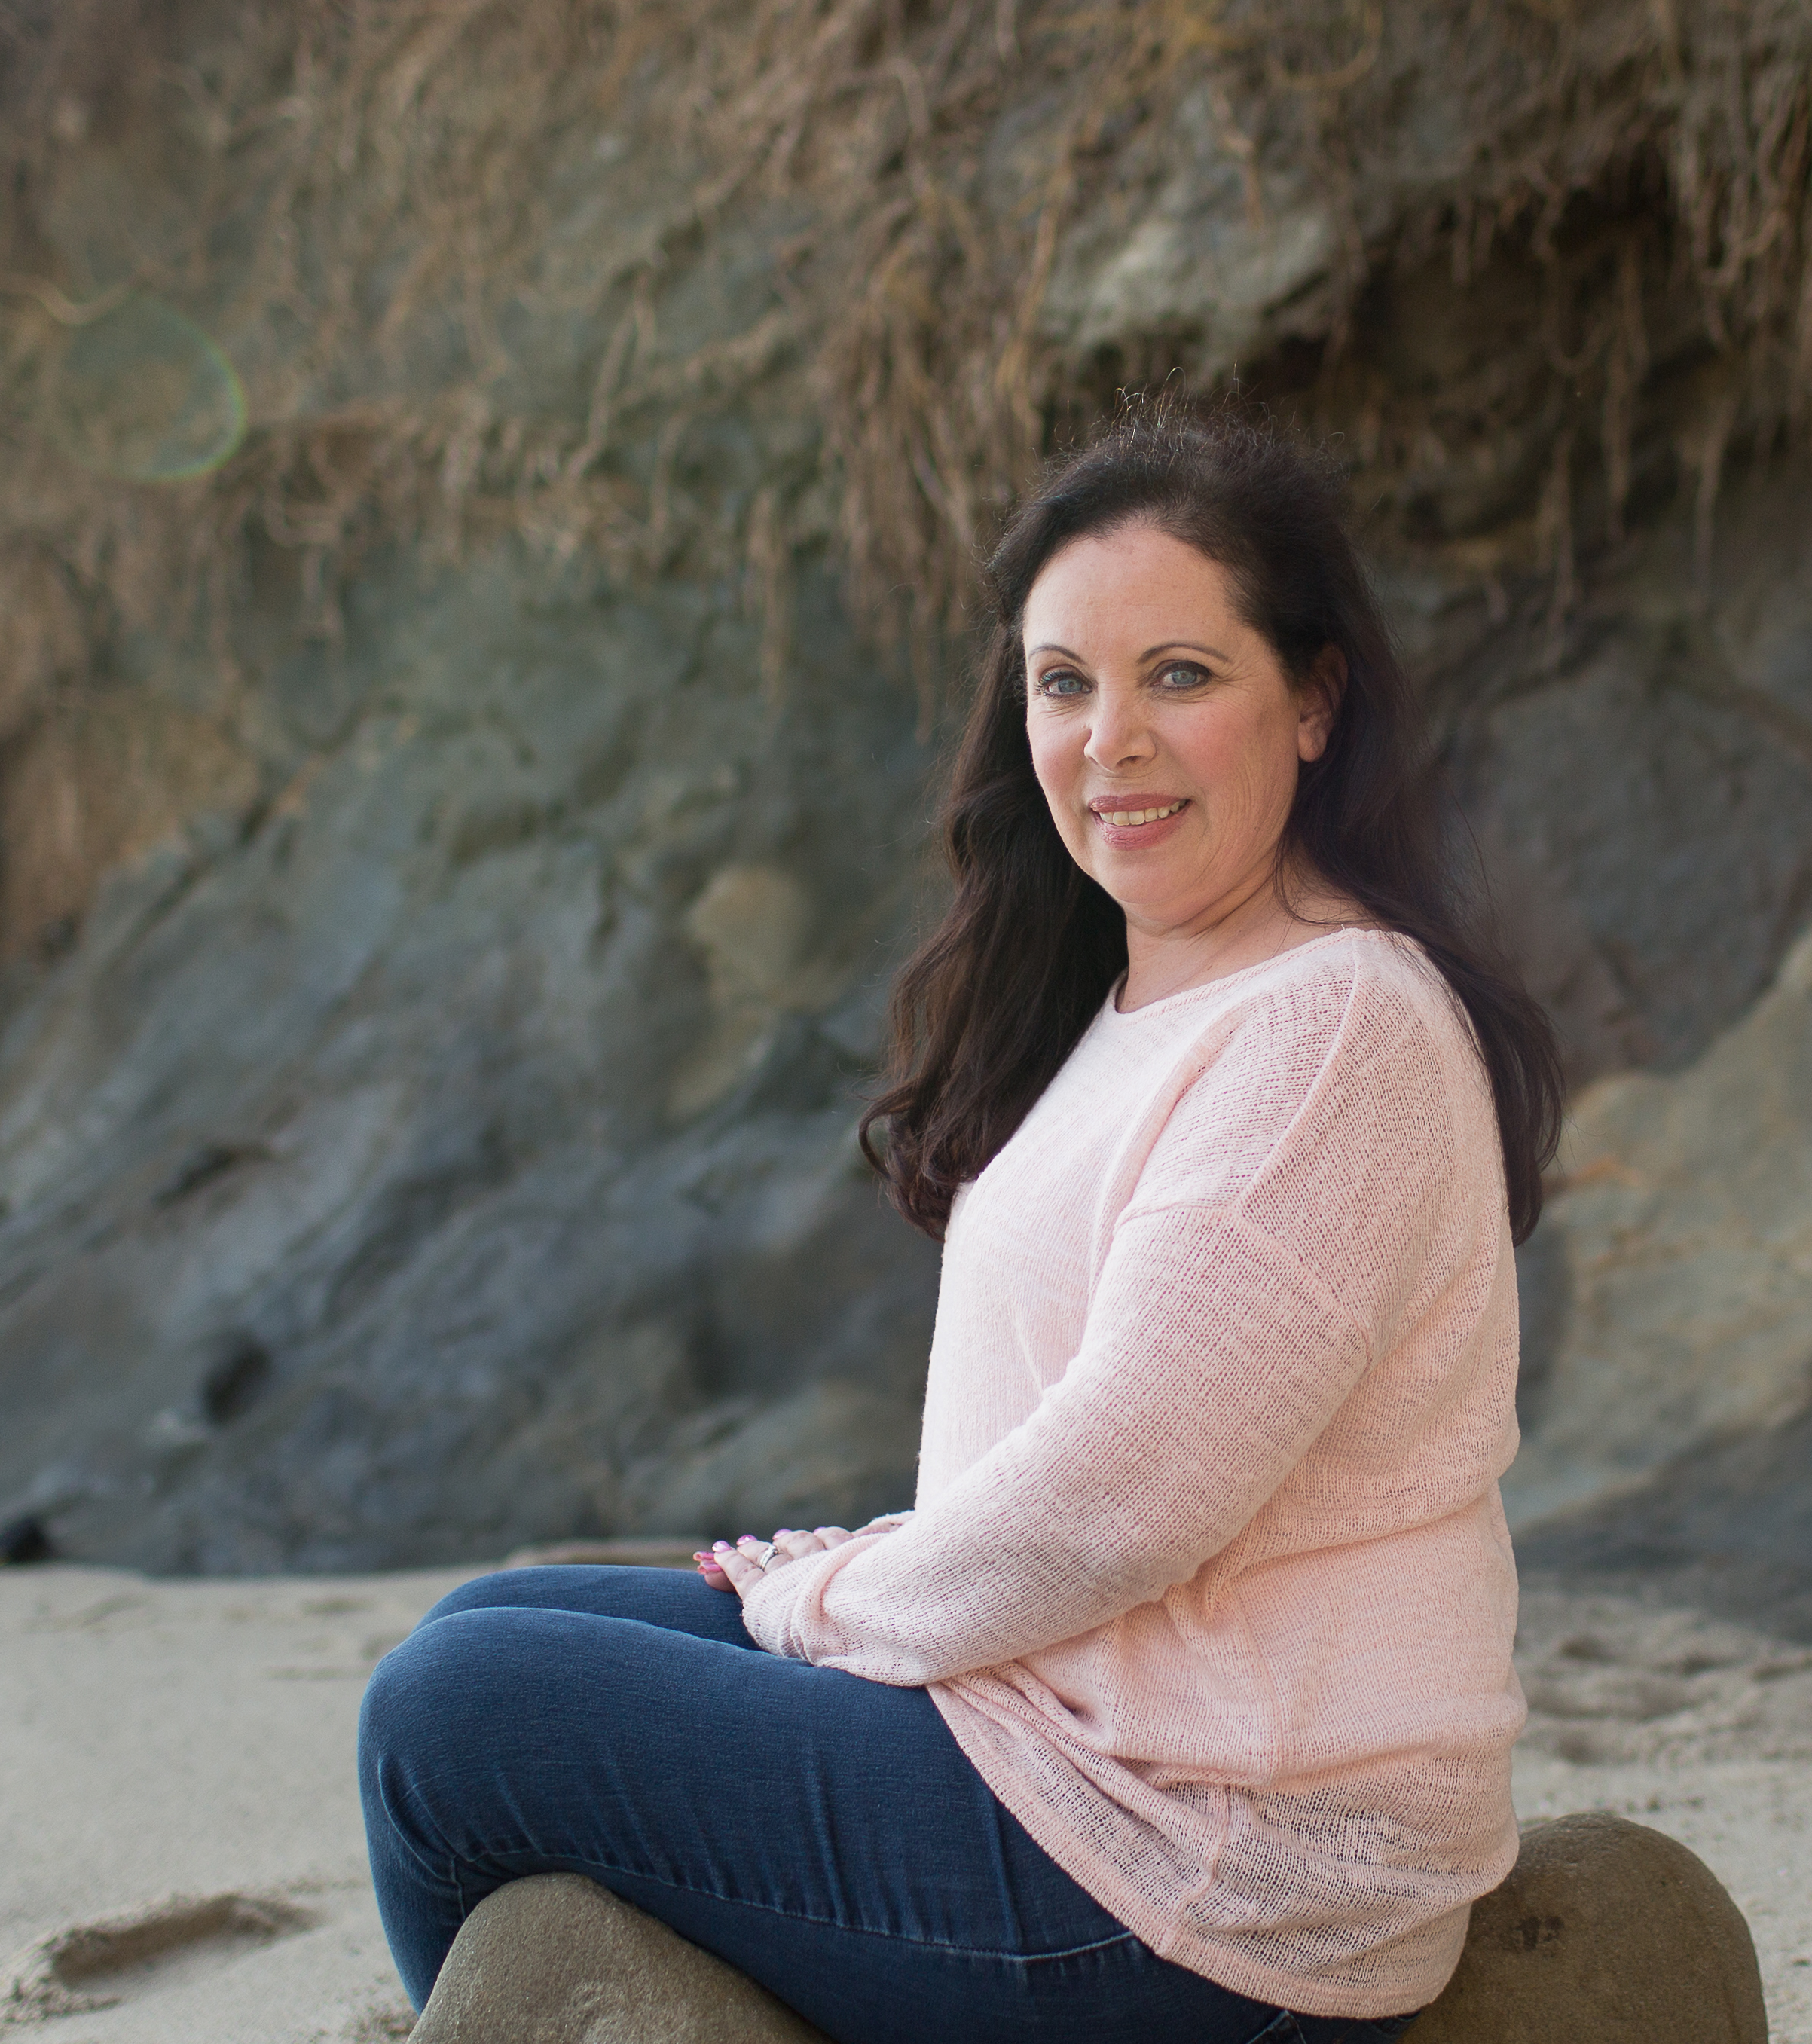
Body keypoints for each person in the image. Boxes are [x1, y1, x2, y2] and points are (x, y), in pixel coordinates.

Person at [356, 398, 1564, 2043]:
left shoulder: (1326, 1027)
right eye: (1064, 681)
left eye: (1180, 676)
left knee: (450, 1712)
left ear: (1313, 703)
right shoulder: (1150, 994)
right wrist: (864, 1575)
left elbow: (1114, 1504)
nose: (1107, 739)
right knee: (497, 1617)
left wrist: (825, 1601)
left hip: (1208, 1866)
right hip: (1072, 1740)